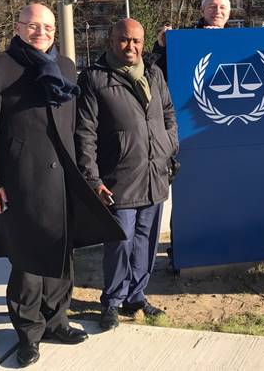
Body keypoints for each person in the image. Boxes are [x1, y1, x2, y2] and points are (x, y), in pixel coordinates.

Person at [0, 3, 124, 368]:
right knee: (27, 261)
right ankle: (28, 332)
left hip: (64, 180)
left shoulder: (64, 66)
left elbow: (75, 126)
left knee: (61, 255)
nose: (41, 33)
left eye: (48, 27)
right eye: (33, 26)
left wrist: (88, 175)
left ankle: (57, 321)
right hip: (20, 182)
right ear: (18, 27)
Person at [75, 18, 179, 331]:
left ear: (143, 43)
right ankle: (112, 300)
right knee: (120, 242)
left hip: (154, 173)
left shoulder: (153, 73)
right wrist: (93, 179)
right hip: (118, 179)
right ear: (111, 41)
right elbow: (85, 133)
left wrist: (168, 146)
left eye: (136, 40)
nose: (130, 46)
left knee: (146, 241)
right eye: (124, 39)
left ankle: (136, 296)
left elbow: (169, 114)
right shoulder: (94, 78)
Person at [151, 0, 232, 78]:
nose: (218, 11)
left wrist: (220, 37)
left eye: (222, 7)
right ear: (202, 11)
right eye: (212, 6)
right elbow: (157, 74)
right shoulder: (183, 39)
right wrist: (162, 47)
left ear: (228, 13)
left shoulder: (238, 40)